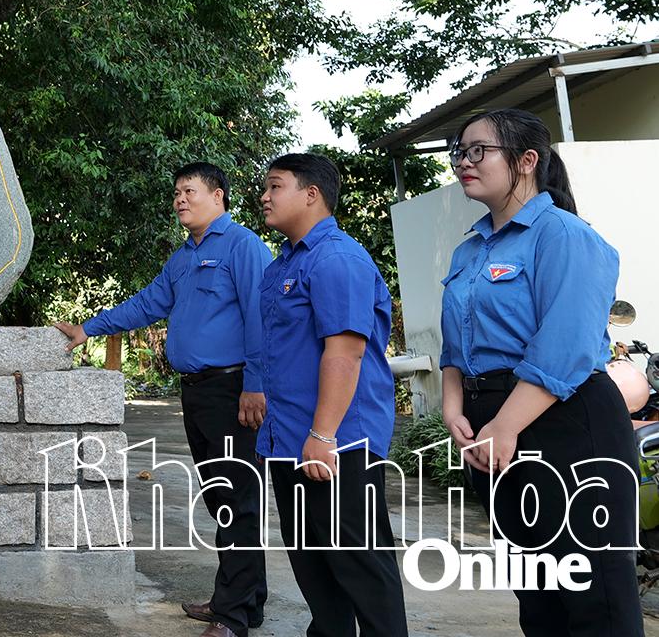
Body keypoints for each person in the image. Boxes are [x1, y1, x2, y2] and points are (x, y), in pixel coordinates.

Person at [439, 109, 642, 635]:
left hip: (565, 420)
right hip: (489, 426)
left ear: (526, 160)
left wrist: (504, 425)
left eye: (478, 150)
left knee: (592, 587)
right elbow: (455, 342)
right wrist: (453, 405)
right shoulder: (469, 249)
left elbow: (566, 345)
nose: (464, 162)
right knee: (534, 584)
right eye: (460, 152)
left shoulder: (565, 236)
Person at [55, 162, 271, 637]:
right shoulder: (184, 257)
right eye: (176, 192)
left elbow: (262, 316)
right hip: (196, 392)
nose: (180, 200)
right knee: (221, 498)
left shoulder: (243, 246)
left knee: (237, 499)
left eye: (189, 191)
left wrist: (255, 384)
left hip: (233, 390)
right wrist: (88, 328)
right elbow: (147, 303)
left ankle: (232, 617)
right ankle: (244, 599)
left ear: (218, 196)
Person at [256, 153, 406, 637]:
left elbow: (345, 352)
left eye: (275, 186)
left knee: (360, 565)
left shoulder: (337, 259)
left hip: (336, 443)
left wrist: (323, 435)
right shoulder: (283, 264)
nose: (264, 197)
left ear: (311, 194)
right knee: (314, 566)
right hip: (290, 440)